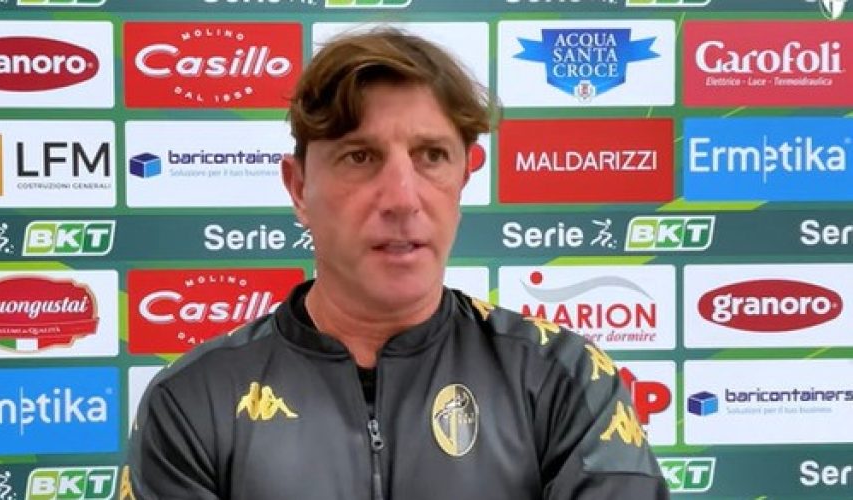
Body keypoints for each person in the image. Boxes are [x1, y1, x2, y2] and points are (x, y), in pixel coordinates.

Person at [123, 27, 669, 499]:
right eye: (360, 157)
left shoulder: (563, 377)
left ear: (463, 179)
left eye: (432, 156)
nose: (403, 198)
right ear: (299, 187)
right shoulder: (193, 400)